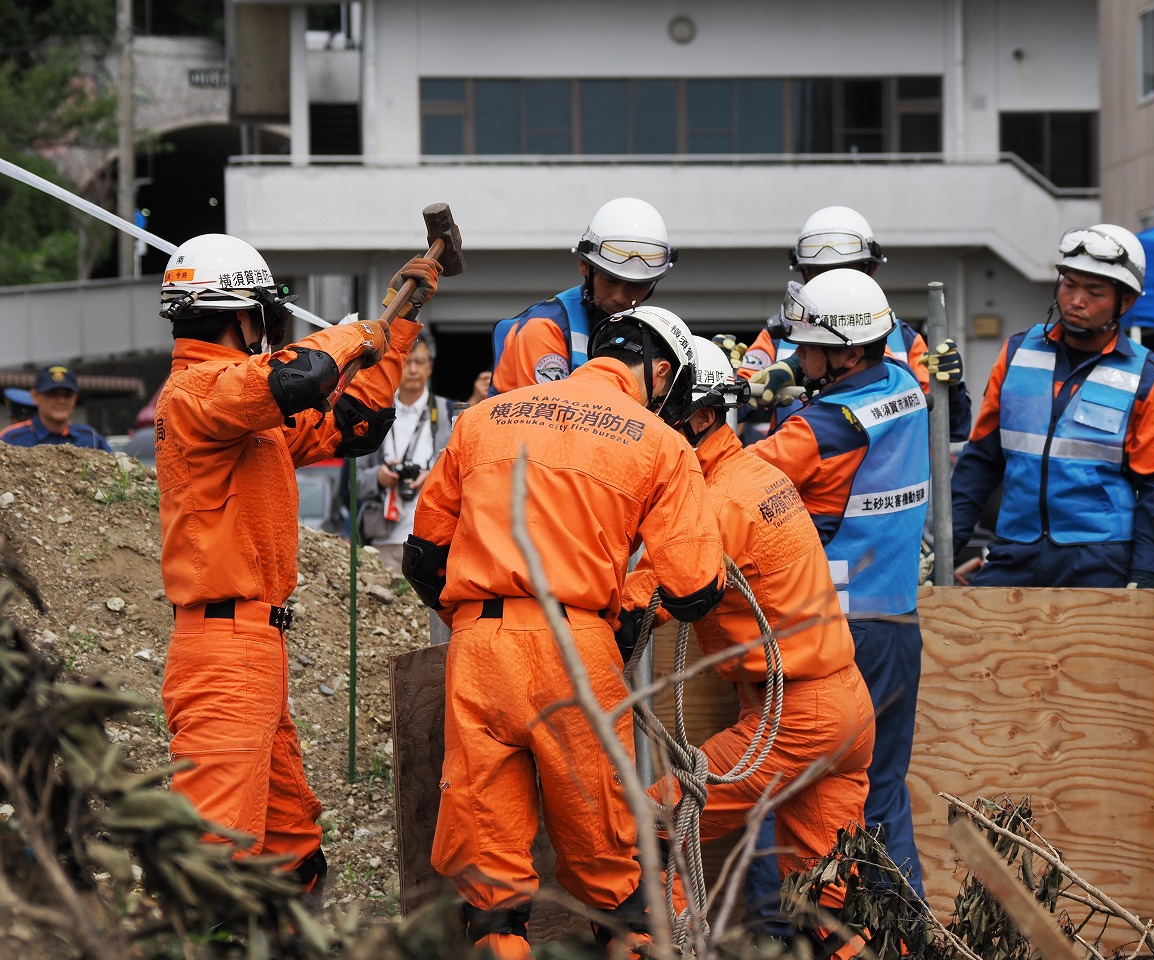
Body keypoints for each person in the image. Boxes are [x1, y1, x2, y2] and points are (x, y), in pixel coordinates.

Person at [405, 305, 725, 960]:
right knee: (615, 876)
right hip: (573, 652)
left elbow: (422, 560)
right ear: (660, 371)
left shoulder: (483, 418)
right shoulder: (660, 444)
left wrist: (478, 621)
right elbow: (695, 590)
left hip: (476, 647)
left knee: (491, 890)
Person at [153, 232, 437, 900]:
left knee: (293, 856)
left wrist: (399, 324)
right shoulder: (199, 394)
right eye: (264, 314)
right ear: (240, 314)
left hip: (253, 650)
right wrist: (355, 334)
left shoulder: (245, 411)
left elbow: (356, 424)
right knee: (212, 869)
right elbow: (296, 376)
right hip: (224, 652)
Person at [621, 337, 875, 957]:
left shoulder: (717, 502)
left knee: (654, 825)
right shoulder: (753, 475)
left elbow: (646, 598)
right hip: (837, 705)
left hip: (793, 718)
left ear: (701, 417)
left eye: (660, 411)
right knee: (832, 899)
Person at [748, 269, 931, 900]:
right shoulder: (905, 385)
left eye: (810, 347)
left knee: (782, 792)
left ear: (848, 351)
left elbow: (738, 485)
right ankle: (907, 940)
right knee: (882, 795)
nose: (798, 357)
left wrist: (733, 407)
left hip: (834, 637)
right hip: (898, 623)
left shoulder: (823, 426)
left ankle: (780, 938)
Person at [950, 224, 1154, 588]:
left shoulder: (1152, 378)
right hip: (1016, 549)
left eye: (1094, 292)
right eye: (1069, 285)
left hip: (1102, 558)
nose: (1076, 300)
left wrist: (1144, 573)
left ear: (1126, 302)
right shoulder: (1016, 354)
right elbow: (982, 459)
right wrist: (949, 544)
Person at [725, 205, 971, 441]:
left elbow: (950, 428)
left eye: (845, 271)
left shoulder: (904, 340)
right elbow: (738, 409)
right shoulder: (778, 336)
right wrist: (720, 376)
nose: (833, 285)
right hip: (793, 474)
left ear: (870, 270)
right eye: (820, 272)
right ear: (803, 274)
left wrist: (950, 390)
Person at [489, 197, 676, 394]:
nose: (620, 297)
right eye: (610, 280)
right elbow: (546, 417)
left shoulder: (649, 333)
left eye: (637, 285)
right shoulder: (544, 328)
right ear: (584, 266)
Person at [353, 333, 453, 569]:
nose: (414, 370)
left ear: (430, 367)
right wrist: (378, 478)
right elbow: (351, 483)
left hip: (431, 540)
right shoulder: (375, 411)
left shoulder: (448, 413)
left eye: (420, 362)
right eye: (408, 362)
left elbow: (462, 475)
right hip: (382, 541)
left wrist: (432, 476)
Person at [0, 364, 111, 451]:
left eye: (67, 394)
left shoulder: (90, 438)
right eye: (52, 393)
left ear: (75, 398)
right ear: (35, 396)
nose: (61, 400)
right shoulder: (11, 439)